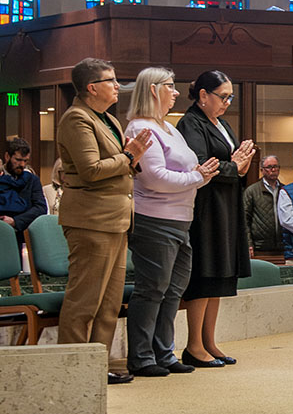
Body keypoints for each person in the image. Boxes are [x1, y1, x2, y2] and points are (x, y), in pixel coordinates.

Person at [56, 58, 153, 385]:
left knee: (109, 303)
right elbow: (91, 170)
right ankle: (72, 371)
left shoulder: (107, 118)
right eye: (110, 81)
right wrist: (128, 158)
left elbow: (120, 162)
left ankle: (99, 366)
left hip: (116, 219)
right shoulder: (76, 119)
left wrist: (130, 158)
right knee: (85, 301)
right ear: (91, 88)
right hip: (91, 220)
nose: (116, 86)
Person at [124, 67, 220, 377]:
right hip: (154, 219)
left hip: (181, 219)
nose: (176, 92)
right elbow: (154, 179)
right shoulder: (140, 127)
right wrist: (197, 176)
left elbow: (189, 169)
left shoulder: (168, 126)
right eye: (170, 86)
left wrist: (200, 175)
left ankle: (164, 353)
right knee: (151, 289)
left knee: (173, 289)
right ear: (153, 90)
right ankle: (141, 357)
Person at [176, 71, 256, 367]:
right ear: (203, 96)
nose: (227, 102)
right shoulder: (190, 123)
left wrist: (241, 164)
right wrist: (234, 164)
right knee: (205, 272)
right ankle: (194, 345)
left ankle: (209, 341)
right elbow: (201, 164)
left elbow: (233, 164)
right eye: (223, 96)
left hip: (227, 204)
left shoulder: (221, 123)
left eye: (230, 97)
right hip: (206, 208)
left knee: (221, 273)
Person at [0, 137, 46, 245]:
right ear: (7, 157)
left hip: (23, 235)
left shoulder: (32, 180)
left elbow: (40, 207)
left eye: (25, 161)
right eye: (18, 160)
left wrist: (15, 221)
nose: (22, 165)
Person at [243, 155, 285, 262]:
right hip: (260, 248)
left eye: (276, 166)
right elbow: (244, 219)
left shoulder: (285, 190)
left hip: (284, 247)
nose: (273, 170)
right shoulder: (252, 191)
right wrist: (248, 243)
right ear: (262, 170)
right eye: (269, 167)